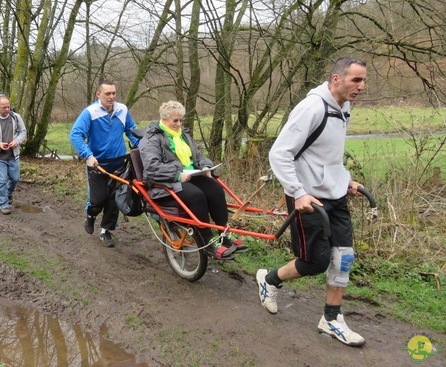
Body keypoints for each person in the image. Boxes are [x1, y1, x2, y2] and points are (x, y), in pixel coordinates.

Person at [256, 58, 367, 347]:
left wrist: (346, 180)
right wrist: (298, 191)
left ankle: (331, 320)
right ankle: (268, 280)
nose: (361, 86)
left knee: (343, 259)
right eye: (356, 80)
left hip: (336, 195)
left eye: (363, 80)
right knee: (315, 262)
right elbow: (279, 154)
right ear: (336, 79)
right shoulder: (312, 107)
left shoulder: (343, 108)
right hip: (308, 198)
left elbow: (328, 155)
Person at [138, 101, 246, 259]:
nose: (179, 124)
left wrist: (205, 167)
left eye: (181, 120)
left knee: (215, 189)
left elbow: (198, 156)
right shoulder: (153, 139)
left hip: (190, 176)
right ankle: (208, 243)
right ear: (164, 119)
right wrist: (177, 174)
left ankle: (224, 236)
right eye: (175, 121)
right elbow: (152, 167)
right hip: (167, 182)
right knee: (197, 196)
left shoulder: (183, 134)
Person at [69, 80, 139, 247]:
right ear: (98, 94)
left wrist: (143, 147)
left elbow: (132, 131)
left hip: (119, 162)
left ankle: (106, 231)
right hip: (97, 164)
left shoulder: (122, 110)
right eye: (108, 93)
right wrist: (88, 155)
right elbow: (75, 134)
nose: (111, 97)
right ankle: (91, 216)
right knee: (98, 199)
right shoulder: (90, 112)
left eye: (114, 93)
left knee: (115, 199)